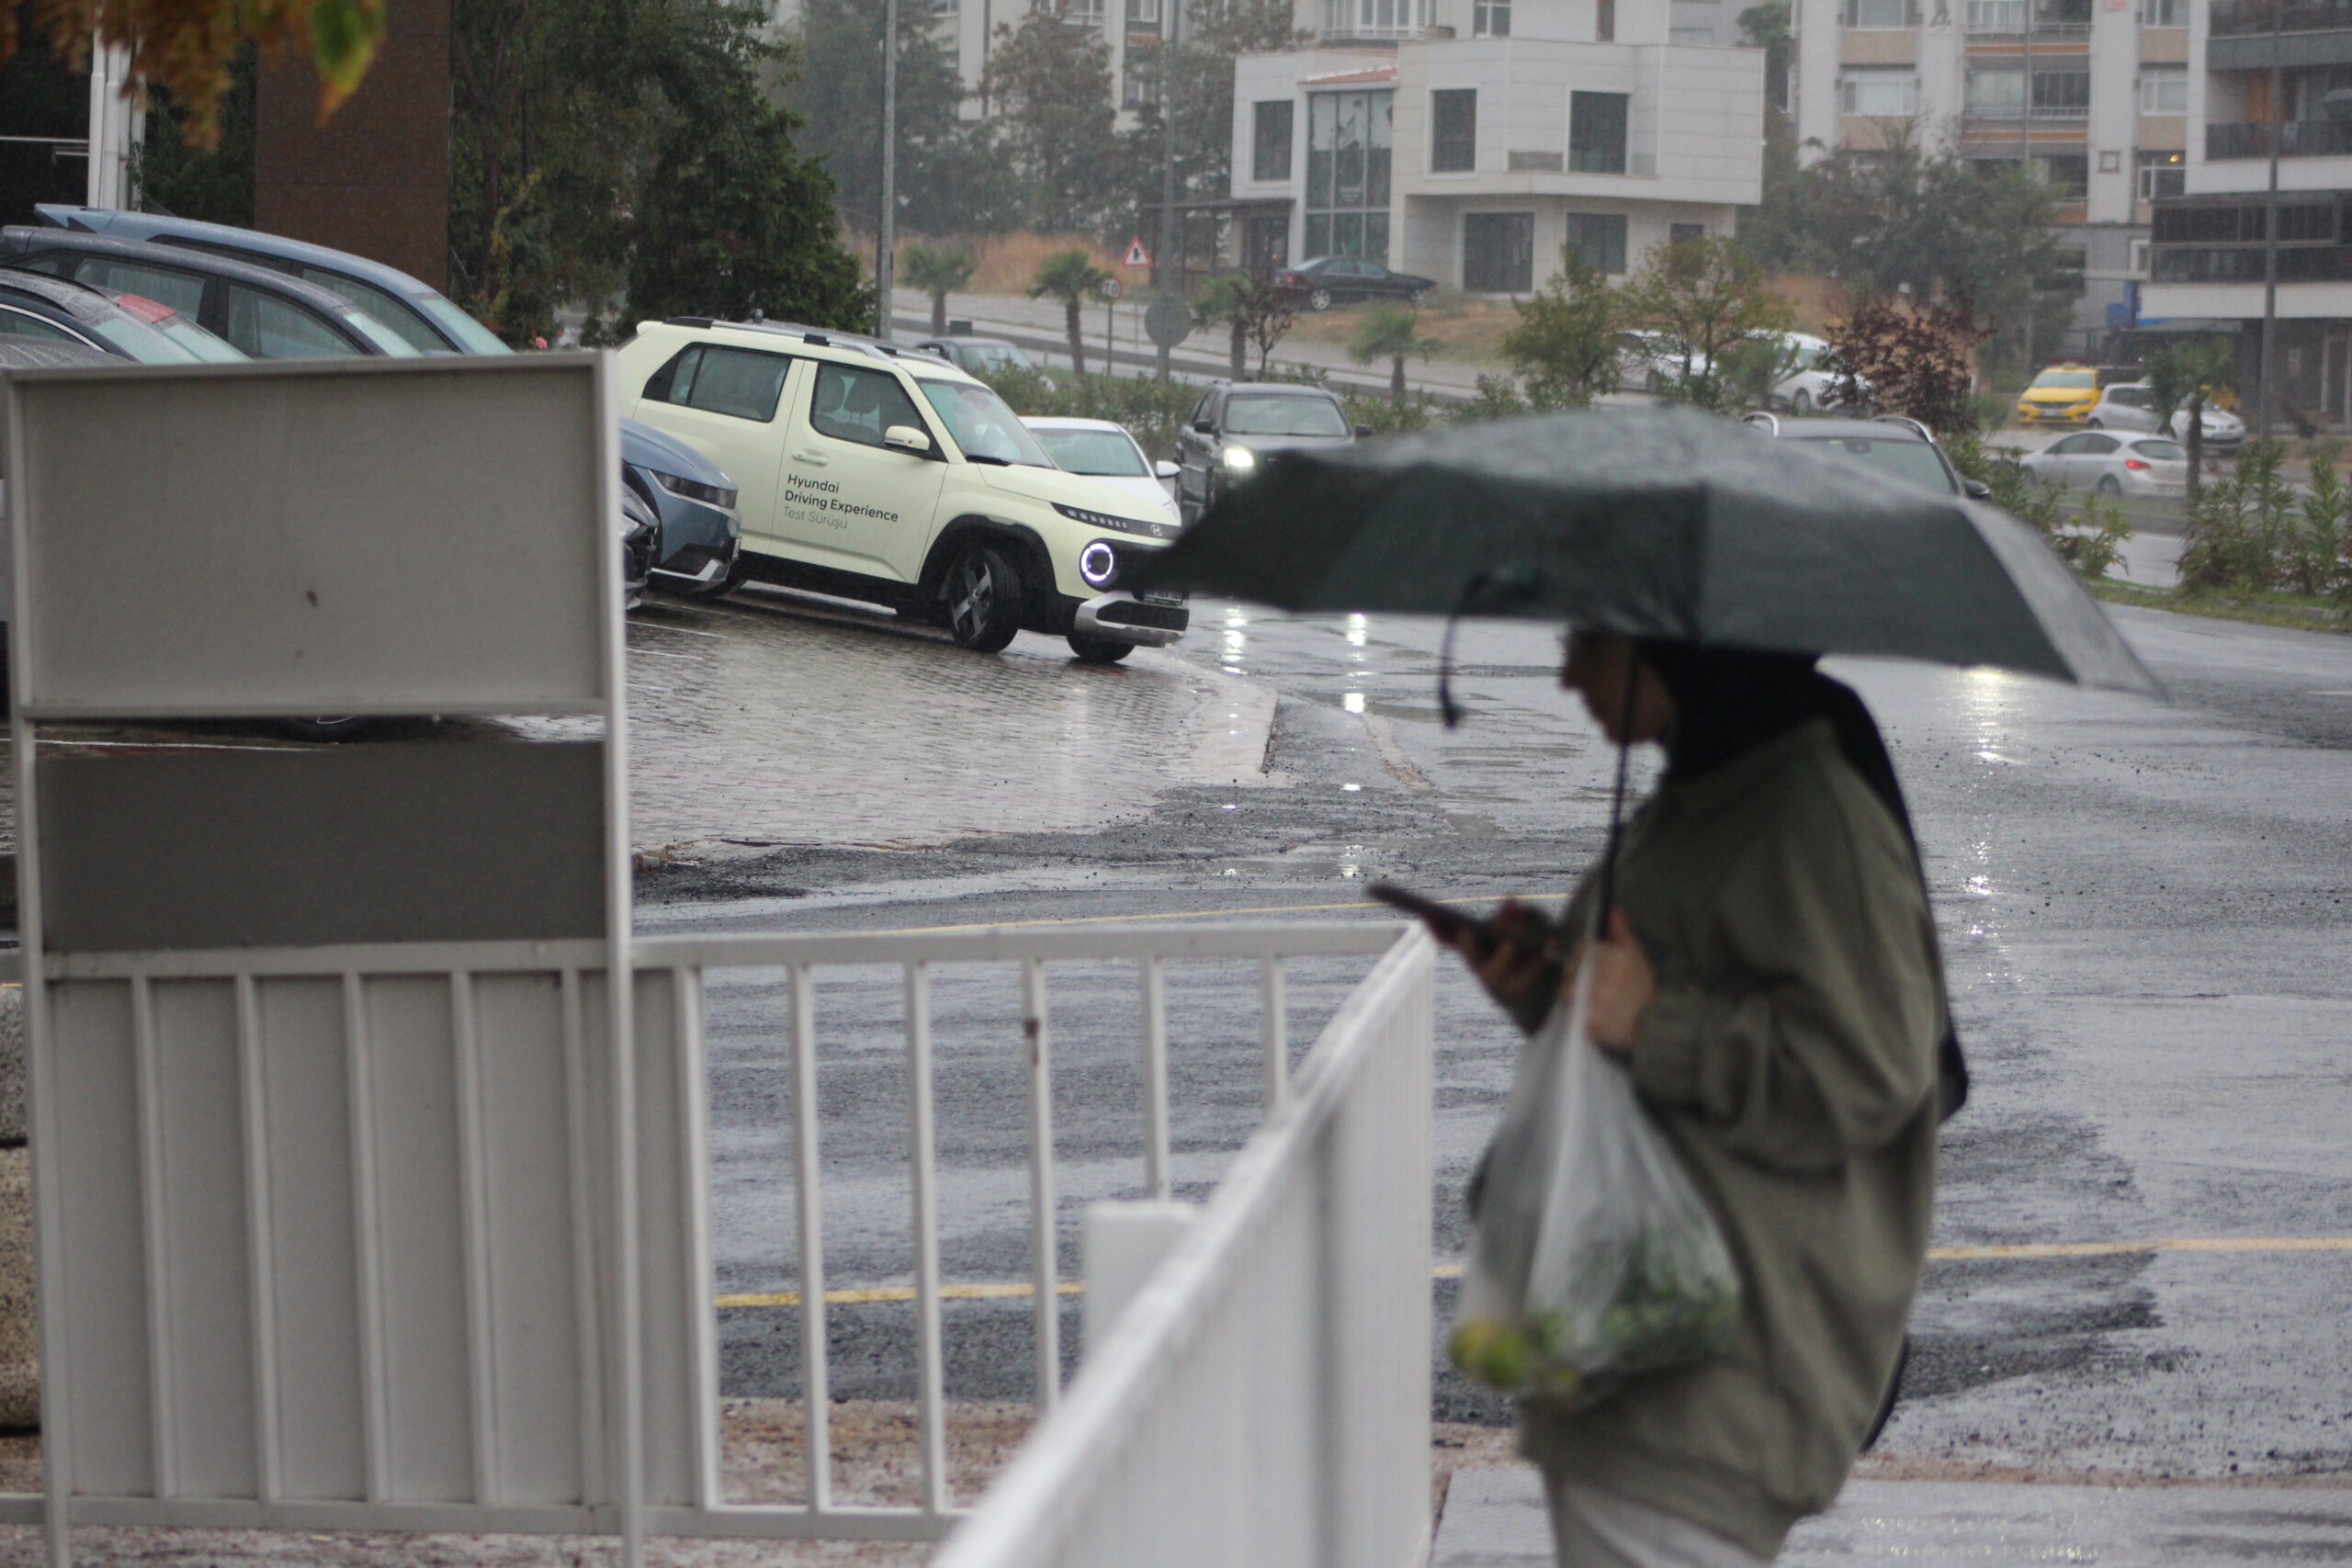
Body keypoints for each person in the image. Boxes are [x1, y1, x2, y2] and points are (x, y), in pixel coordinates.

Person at [1445, 632, 1948, 1568]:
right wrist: (1545, 979)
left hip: (1713, 1389)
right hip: (1636, 1359)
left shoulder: (1803, 809)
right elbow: (1659, 993)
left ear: (1669, 644)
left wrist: (1652, 1020)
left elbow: (1870, 1068)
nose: (1566, 676)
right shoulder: (1709, 786)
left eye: (1588, 645)